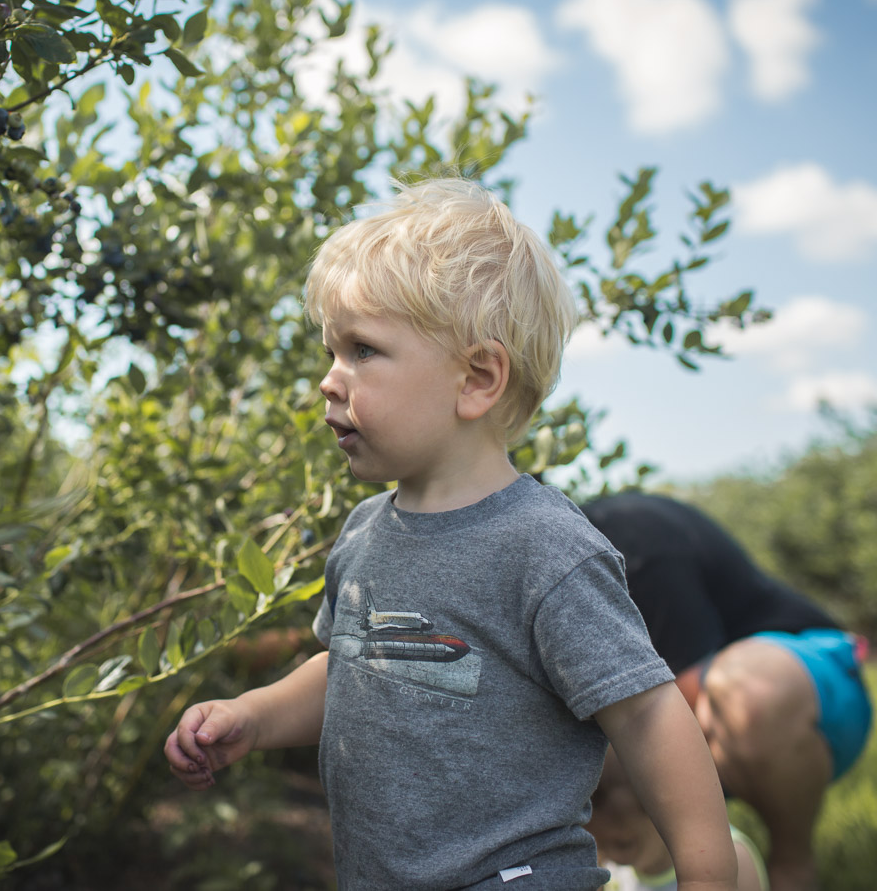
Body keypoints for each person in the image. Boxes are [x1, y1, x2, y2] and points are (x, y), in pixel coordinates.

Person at [163, 179, 738, 890]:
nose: (328, 382)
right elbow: (351, 670)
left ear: (477, 379)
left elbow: (648, 713)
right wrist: (251, 718)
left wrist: (710, 873)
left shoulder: (544, 548)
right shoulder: (365, 532)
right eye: (330, 352)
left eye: (362, 351)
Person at [580, 493, 874, 891]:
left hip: (812, 687)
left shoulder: (631, 537)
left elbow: (678, 696)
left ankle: (791, 865)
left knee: (745, 692)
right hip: (714, 723)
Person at [589, 745, 768, 891]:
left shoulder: (731, 859)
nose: (612, 856)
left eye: (622, 844)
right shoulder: (613, 868)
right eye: (599, 845)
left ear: (658, 809)